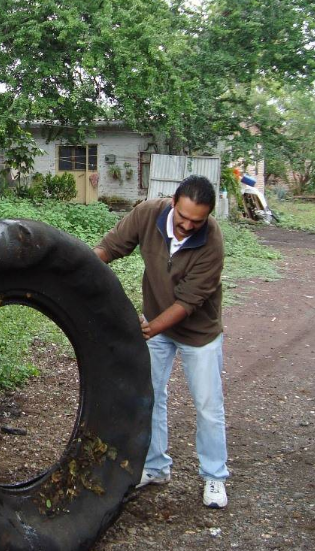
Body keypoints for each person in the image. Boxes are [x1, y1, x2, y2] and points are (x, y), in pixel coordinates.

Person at [93, 175, 229, 509]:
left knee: (208, 407)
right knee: (148, 396)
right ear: (173, 202)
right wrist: (76, 269)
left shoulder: (212, 241)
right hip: (156, 324)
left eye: (197, 221)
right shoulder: (147, 214)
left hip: (199, 334)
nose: (187, 226)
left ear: (208, 216)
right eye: (183, 217)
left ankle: (214, 475)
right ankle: (155, 467)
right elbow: (109, 248)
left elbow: (187, 303)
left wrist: (149, 329)